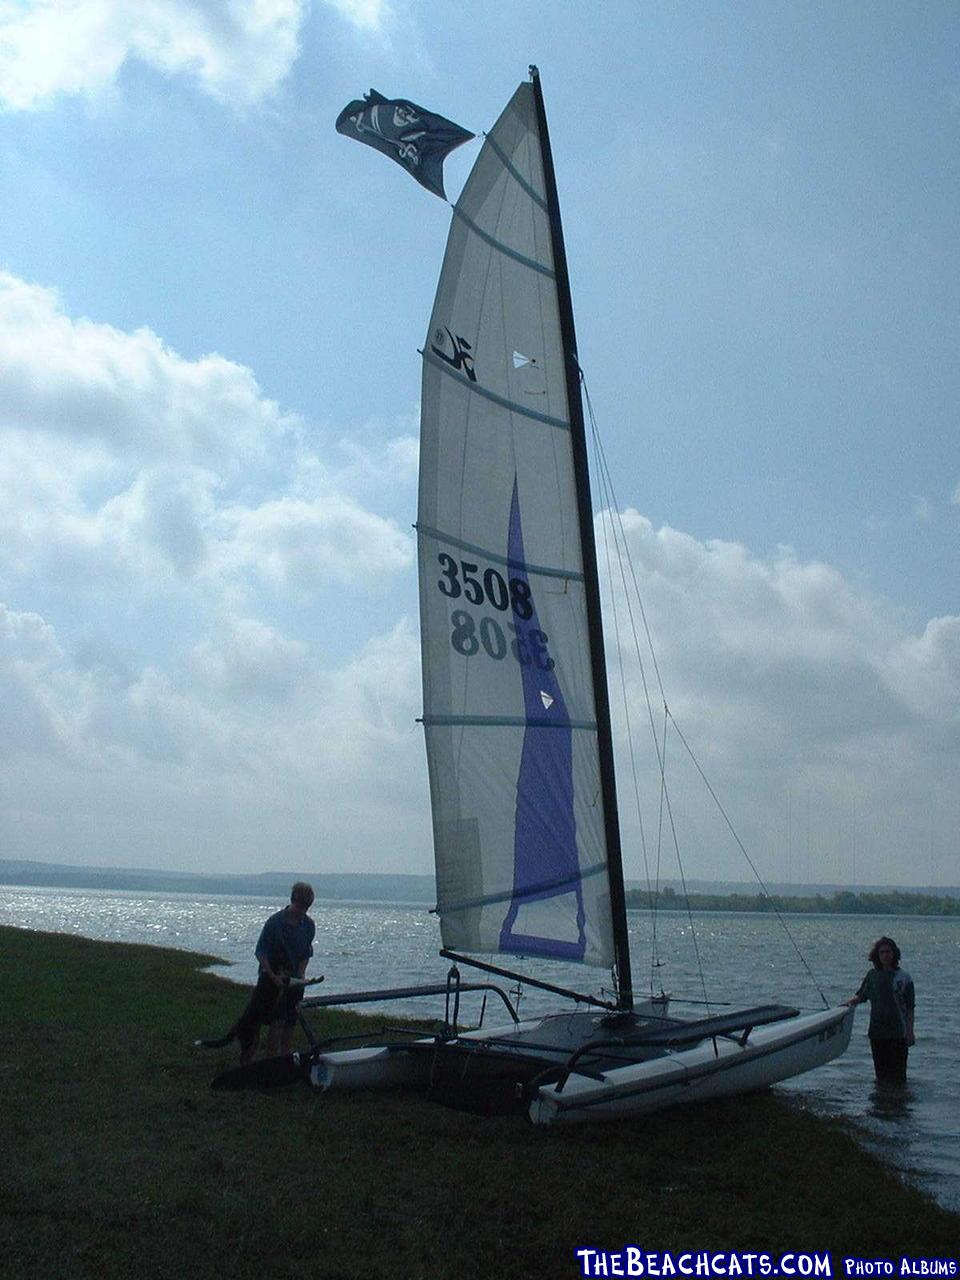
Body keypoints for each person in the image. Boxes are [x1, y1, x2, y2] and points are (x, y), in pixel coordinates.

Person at [231, 882, 316, 1063]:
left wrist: (300, 975)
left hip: (294, 981)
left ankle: (285, 1060)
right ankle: (271, 1061)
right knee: (276, 1022)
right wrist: (272, 975)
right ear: (292, 900)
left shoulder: (309, 926)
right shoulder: (275, 923)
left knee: (291, 1021)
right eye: (300, 906)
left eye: (307, 907)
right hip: (271, 979)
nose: (303, 911)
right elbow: (261, 952)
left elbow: (306, 954)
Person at [845, 936, 915, 1084]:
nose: (885, 955)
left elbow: (910, 1008)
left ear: (894, 953)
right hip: (877, 1033)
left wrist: (910, 1032)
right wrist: (848, 1004)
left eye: (888, 952)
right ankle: (882, 1104)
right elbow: (861, 996)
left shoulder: (904, 978)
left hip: (898, 1034)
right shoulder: (872, 975)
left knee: (899, 1076)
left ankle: (898, 1104)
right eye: (882, 952)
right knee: (881, 1076)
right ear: (877, 955)